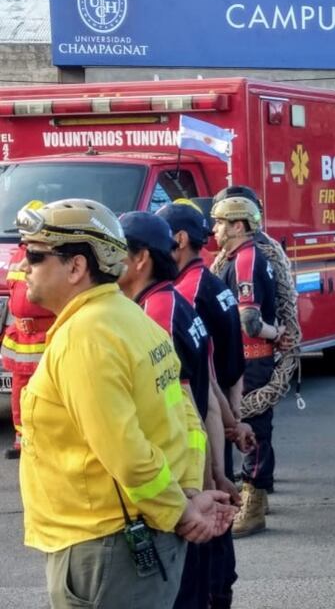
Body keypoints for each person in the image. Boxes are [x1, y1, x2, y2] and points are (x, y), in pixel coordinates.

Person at [16, 198, 235, 609]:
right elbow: (185, 416)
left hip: (104, 547)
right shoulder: (132, 319)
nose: (23, 265)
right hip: (139, 538)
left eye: (35, 255)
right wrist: (186, 493)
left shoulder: (86, 336)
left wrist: (181, 511)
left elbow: (127, 451)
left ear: (77, 266)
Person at [118, 211, 221, 609]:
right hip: (190, 481)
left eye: (116, 252)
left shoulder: (154, 313)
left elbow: (191, 404)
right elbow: (208, 391)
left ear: (140, 258)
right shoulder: (174, 300)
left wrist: (208, 480)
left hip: (177, 487)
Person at [159, 200, 250, 609]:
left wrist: (216, 462)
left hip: (199, 445)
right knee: (218, 534)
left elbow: (201, 383)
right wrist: (236, 421)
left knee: (204, 543)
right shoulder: (208, 286)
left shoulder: (184, 295)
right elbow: (219, 373)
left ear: (178, 240)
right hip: (214, 433)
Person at [211, 194, 281, 538]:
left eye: (221, 222)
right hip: (246, 359)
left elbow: (249, 320)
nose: (215, 229)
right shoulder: (241, 257)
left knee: (252, 426)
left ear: (238, 225)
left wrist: (277, 333)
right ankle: (259, 495)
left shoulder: (245, 262)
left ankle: (253, 503)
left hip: (251, 360)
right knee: (257, 426)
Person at [1, 201, 55, 459]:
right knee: (19, 391)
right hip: (21, 336)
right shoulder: (16, 255)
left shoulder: (50, 256)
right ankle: (22, 441)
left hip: (45, 336)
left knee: (46, 393)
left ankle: (44, 441)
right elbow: (13, 295)